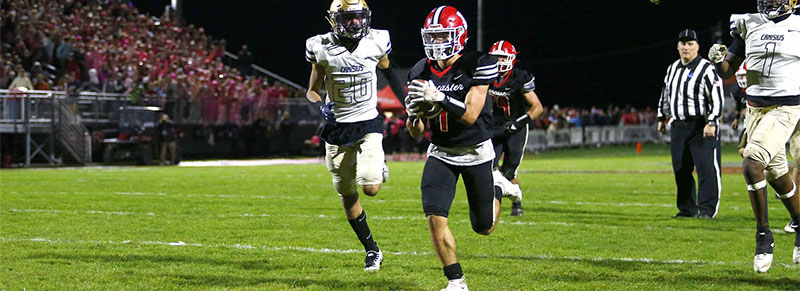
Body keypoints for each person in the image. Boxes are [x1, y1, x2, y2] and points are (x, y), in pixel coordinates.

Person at [405, 6, 521, 290]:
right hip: (441, 152)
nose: (436, 43)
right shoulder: (420, 69)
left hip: (476, 151)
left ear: (459, 35)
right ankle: (456, 281)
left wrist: (439, 98)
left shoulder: (478, 63)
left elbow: (470, 115)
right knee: (434, 215)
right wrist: (413, 115)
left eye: (443, 36)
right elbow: (417, 133)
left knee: (484, 227)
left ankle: (498, 187)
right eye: (432, 37)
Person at [304, 0, 405, 272]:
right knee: (348, 196)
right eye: (348, 18)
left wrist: (406, 102)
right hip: (336, 127)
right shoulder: (320, 46)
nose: (355, 23)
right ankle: (372, 249)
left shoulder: (377, 40)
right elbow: (312, 90)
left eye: (359, 17)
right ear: (335, 20)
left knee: (370, 187)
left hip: (367, 122)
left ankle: (377, 166)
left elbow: (388, 70)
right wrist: (319, 105)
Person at [709, 0, 800, 272]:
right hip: (754, 110)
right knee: (775, 174)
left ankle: (763, 235)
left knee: (751, 162)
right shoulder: (748, 22)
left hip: (786, 108)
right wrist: (717, 60)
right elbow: (728, 67)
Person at [656, 29, 723, 220]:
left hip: (700, 126)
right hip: (678, 125)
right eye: (683, 44)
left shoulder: (706, 68)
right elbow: (666, 94)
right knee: (681, 169)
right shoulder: (672, 68)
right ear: (677, 46)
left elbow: (716, 97)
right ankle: (687, 209)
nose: (686, 47)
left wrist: (712, 121)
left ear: (697, 47)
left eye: (690, 44)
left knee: (706, 168)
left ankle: (707, 210)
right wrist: (662, 117)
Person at [487, 40, 544, 216]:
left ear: (512, 59)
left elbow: (537, 107)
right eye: (496, 57)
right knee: (488, 167)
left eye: (503, 57)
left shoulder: (519, 77)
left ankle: (516, 199)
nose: (499, 61)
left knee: (508, 172)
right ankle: (491, 208)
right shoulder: (485, 76)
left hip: (516, 128)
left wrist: (518, 123)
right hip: (494, 128)